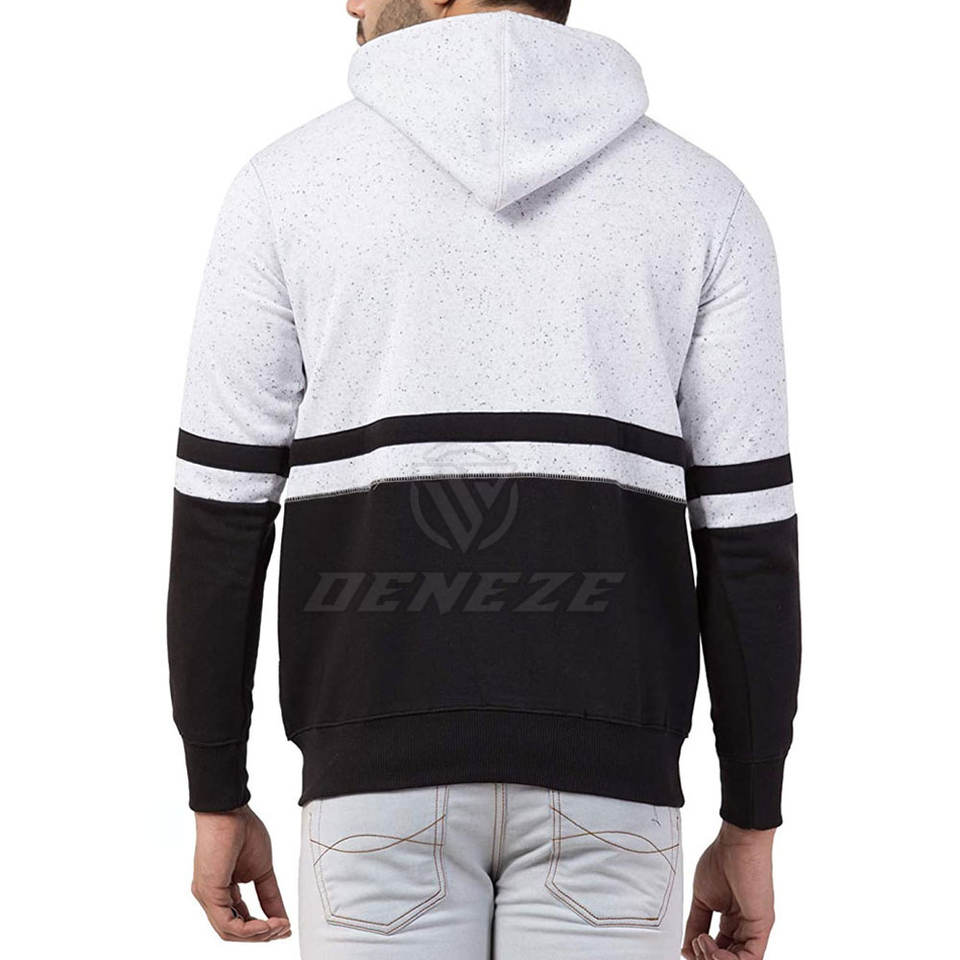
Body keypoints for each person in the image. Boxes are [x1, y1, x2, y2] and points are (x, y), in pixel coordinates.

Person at [167, 2, 801, 958]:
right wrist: (751, 820)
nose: (348, 3)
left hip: (372, 789)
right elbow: (748, 539)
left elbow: (221, 517)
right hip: (614, 798)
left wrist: (217, 792)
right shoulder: (703, 199)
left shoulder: (283, 188)